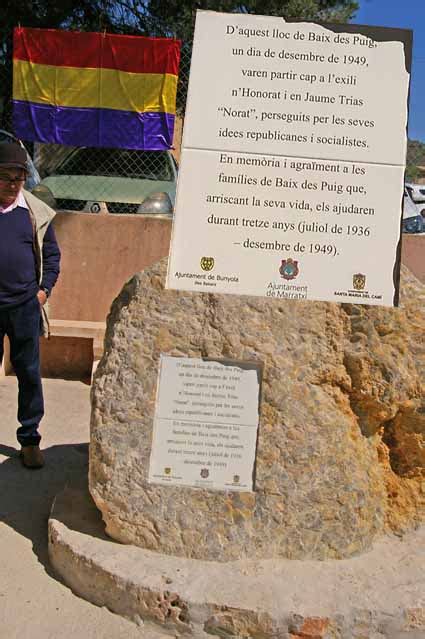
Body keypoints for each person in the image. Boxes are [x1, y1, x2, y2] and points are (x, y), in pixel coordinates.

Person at [0, 142, 60, 468]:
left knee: (28, 373)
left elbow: (51, 255)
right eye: (5, 177)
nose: (11, 184)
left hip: (24, 306)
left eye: (18, 178)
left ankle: (30, 440)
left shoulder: (34, 213)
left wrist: (43, 290)